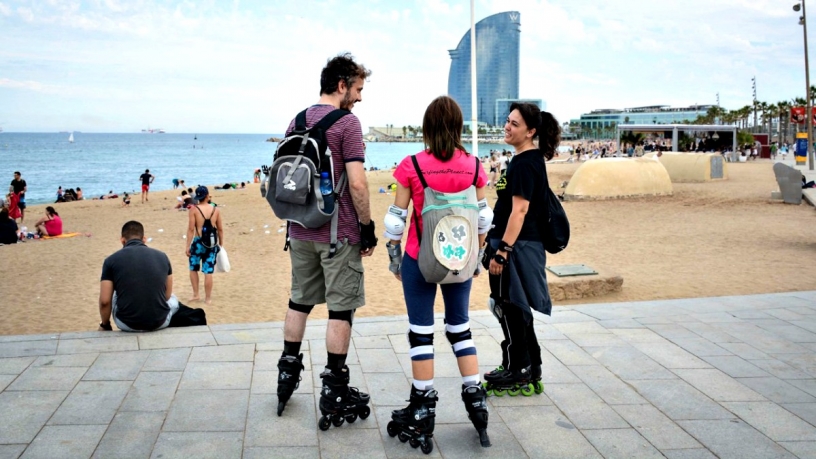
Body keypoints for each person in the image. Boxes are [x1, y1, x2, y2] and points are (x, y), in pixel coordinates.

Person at [274, 53, 378, 426]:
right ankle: (335, 388)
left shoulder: (297, 119)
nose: (360, 97)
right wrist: (366, 228)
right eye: (358, 89)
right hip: (337, 233)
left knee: (299, 300)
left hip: (298, 229)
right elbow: (358, 182)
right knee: (340, 308)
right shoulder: (347, 123)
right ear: (341, 85)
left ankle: (287, 371)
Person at [384, 96, 491, 449]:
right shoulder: (474, 166)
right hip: (460, 260)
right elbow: (483, 218)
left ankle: (422, 407)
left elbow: (395, 220)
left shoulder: (411, 165)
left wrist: (394, 256)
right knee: (460, 327)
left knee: (421, 332)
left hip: (420, 259)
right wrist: (476, 257)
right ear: (459, 127)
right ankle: (475, 398)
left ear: (428, 128)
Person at [484, 102, 559, 400]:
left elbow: (520, 211)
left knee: (511, 305)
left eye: (514, 124)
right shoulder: (522, 160)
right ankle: (530, 364)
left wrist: (502, 251)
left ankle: (520, 367)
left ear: (531, 132)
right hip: (517, 243)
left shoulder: (527, 163)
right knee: (511, 306)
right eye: (507, 121)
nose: (507, 126)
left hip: (517, 245)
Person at [98, 221, 205, 332]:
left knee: (114, 291)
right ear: (144, 239)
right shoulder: (163, 257)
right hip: (160, 322)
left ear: (122, 240)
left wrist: (105, 324)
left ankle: (105, 325)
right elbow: (166, 296)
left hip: (126, 324)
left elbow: (105, 302)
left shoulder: (110, 260)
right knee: (173, 297)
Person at [186, 186, 223, 304]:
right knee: (208, 272)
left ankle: (196, 294)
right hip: (211, 244)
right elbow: (220, 229)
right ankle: (208, 298)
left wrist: (187, 246)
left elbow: (191, 229)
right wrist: (221, 245)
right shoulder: (215, 210)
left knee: (193, 269)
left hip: (198, 242)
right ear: (207, 196)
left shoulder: (194, 209)